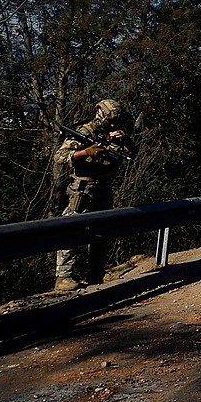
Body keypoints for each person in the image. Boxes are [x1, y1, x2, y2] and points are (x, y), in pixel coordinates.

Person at [52, 99, 135, 292]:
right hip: (83, 188)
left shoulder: (113, 134)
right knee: (71, 228)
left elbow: (131, 154)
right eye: (110, 120)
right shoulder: (84, 132)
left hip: (103, 187)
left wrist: (125, 140)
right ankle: (64, 277)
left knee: (102, 230)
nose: (113, 124)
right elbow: (60, 156)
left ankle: (96, 272)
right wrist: (85, 152)